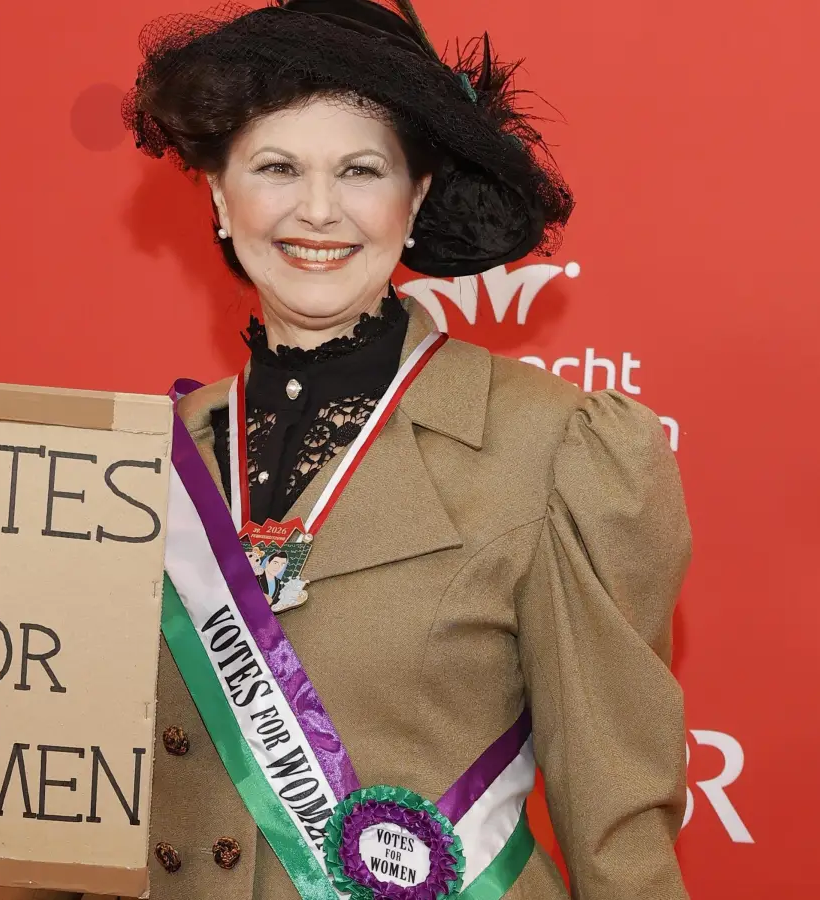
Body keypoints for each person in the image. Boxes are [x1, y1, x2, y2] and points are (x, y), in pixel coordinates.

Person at [47, 2, 692, 899]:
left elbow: (620, 831)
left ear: (414, 198)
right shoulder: (136, 467)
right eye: (277, 168)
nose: (319, 210)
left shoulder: (556, 451)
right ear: (221, 199)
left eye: (360, 170)